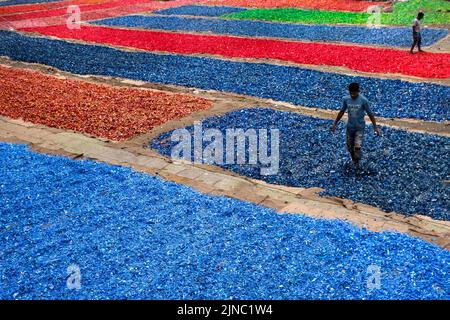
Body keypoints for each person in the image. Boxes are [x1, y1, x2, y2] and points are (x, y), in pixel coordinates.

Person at [331, 83, 380, 167]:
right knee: (350, 147)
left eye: (354, 93)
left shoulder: (363, 100)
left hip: (360, 127)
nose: (353, 95)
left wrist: (375, 127)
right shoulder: (346, 99)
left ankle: (357, 156)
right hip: (350, 127)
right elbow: (342, 112)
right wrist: (335, 123)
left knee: (357, 146)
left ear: (358, 91)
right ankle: (355, 161)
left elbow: (370, 114)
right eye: (351, 93)